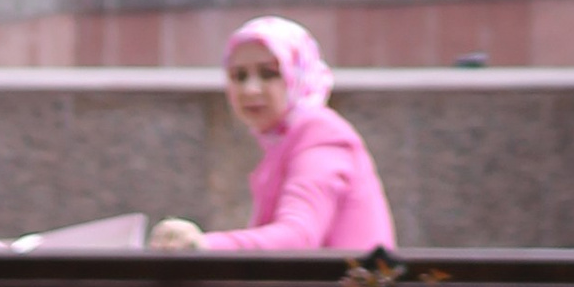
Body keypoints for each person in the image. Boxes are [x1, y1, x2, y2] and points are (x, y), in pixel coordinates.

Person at [147, 16, 396, 254]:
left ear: (298, 75)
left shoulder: (322, 139)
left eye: (269, 73)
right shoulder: (288, 140)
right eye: (238, 76)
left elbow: (298, 238)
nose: (250, 89)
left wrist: (203, 246)